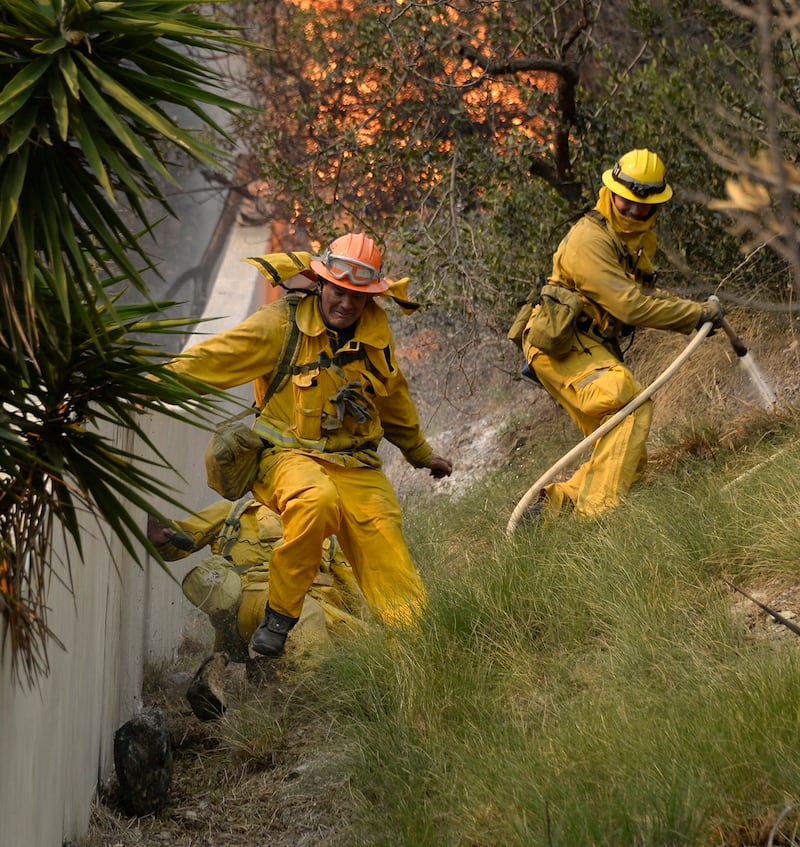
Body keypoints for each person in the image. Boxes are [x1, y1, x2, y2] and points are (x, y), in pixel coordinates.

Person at [164, 232, 452, 658]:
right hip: (288, 458)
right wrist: (142, 385)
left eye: (358, 296)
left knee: (392, 563)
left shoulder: (375, 334)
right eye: (339, 291)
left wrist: (421, 453)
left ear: (370, 297)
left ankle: (413, 666)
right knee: (314, 500)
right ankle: (280, 618)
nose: (347, 304)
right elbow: (210, 361)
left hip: (357, 467)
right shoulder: (279, 325)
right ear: (321, 283)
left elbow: (393, 399)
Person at [520, 148, 725, 520]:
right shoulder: (589, 240)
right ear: (611, 192)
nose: (632, 211)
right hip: (561, 346)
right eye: (626, 201)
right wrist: (694, 314)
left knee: (625, 453)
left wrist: (696, 312)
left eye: (642, 206)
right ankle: (596, 520)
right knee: (627, 405)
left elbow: (643, 294)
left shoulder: (640, 241)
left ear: (656, 206)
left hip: (590, 346)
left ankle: (557, 508)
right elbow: (629, 306)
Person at [146, 497, 367, 664]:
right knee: (303, 613)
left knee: (365, 639)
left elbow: (357, 598)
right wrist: (162, 537)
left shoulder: (326, 531)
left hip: (319, 607)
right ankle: (307, 695)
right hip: (256, 598)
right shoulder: (235, 512)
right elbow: (181, 541)